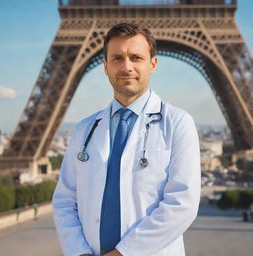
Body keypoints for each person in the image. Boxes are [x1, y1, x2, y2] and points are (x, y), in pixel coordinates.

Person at [52, 22, 201, 256]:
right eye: (117, 58)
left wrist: (123, 253)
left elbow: (182, 203)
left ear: (153, 64)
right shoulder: (84, 129)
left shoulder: (178, 123)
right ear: (105, 66)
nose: (126, 66)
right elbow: (64, 201)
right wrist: (78, 252)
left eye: (136, 57)